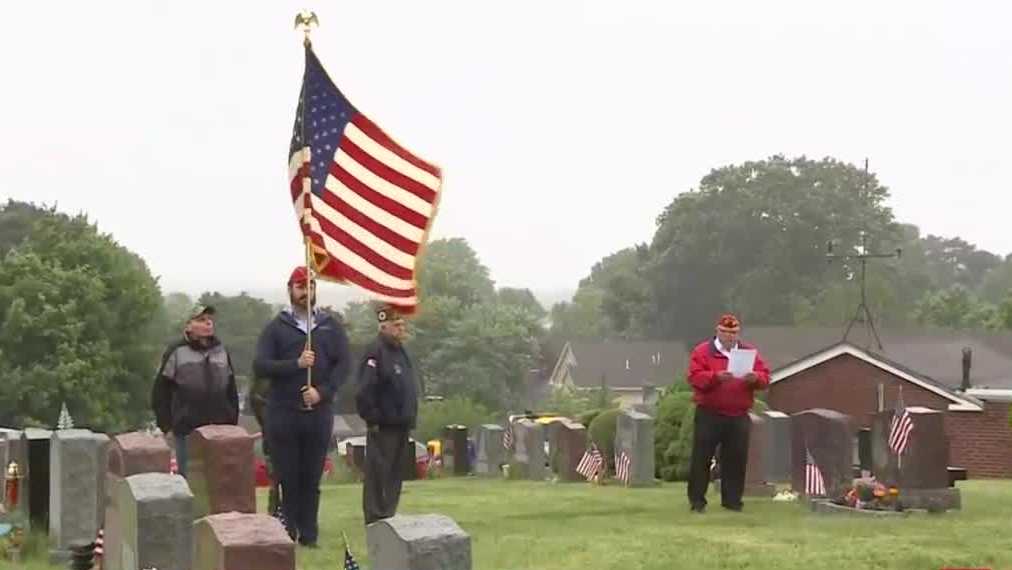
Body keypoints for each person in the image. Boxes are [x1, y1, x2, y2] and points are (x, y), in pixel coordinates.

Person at [253, 266, 351, 547]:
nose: (305, 291)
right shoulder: (276, 328)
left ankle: (309, 534)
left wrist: (323, 392)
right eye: (300, 286)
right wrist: (295, 364)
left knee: (311, 476)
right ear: (290, 290)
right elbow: (261, 365)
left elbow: (343, 365)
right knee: (288, 476)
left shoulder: (330, 327)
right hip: (283, 412)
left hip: (318, 414)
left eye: (310, 285)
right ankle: (288, 532)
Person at [686, 313, 770, 513]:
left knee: (736, 459)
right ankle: (697, 501)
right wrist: (715, 377)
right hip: (710, 413)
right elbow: (694, 377)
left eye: (734, 333)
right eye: (726, 332)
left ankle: (732, 501)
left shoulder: (748, 352)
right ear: (718, 331)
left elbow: (766, 376)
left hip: (738, 414)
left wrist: (755, 378)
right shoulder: (702, 351)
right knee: (702, 459)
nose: (730, 337)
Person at [152, 304, 238, 477]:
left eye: (209, 320)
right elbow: (160, 391)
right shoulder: (176, 352)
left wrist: (232, 420)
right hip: (187, 430)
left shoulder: (221, 351)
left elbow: (231, 388)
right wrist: (166, 424)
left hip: (220, 429)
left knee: (220, 480)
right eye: (201, 320)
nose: (208, 324)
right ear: (188, 325)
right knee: (191, 479)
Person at [356, 305, 419, 525]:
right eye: (397, 325)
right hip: (383, 426)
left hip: (401, 424)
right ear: (384, 326)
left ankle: (389, 515)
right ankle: (376, 518)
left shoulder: (400, 351)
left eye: (403, 324)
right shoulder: (376, 351)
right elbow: (365, 390)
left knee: (394, 476)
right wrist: (373, 418)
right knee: (379, 476)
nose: (402, 329)